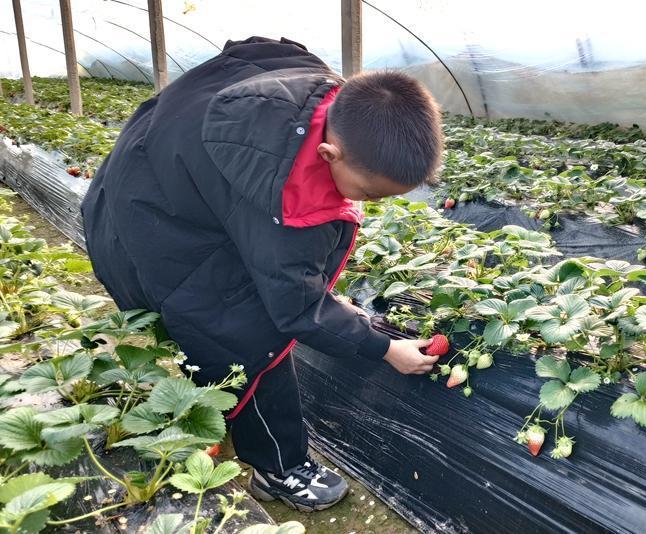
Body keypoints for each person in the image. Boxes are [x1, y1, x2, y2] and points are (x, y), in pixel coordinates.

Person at [80, 36, 443, 512]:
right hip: (155, 231)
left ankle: (213, 412)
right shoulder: (288, 195)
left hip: (147, 173)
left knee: (224, 329)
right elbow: (296, 308)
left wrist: (325, 297)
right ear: (329, 154)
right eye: (369, 193)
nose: (367, 203)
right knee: (246, 340)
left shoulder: (304, 86)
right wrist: (384, 348)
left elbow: (249, 48)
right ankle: (279, 468)